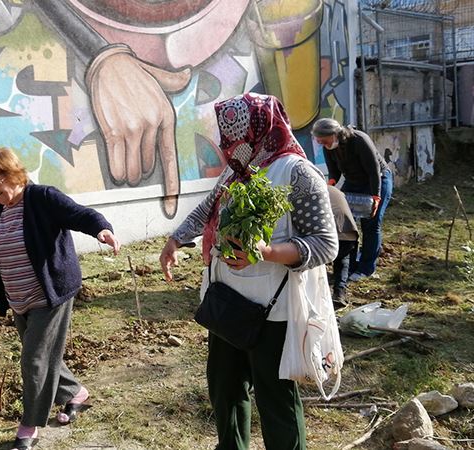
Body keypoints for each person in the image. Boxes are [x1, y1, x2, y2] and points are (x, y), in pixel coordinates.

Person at [159, 93, 338, 449]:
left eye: (234, 133)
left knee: (275, 400)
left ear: (260, 125)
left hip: (273, 312)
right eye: (226, 134)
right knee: (224, 390)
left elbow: (325, 244)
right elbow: (208, 208)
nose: (229, 143)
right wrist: (175, 240)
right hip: (226, 300)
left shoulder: (297, 173)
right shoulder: (240, 167)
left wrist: (267, 252)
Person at [0, 147, 120, 450]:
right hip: (19, 299)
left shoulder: (42, 198)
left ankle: (29, 426)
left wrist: (102, 229)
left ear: (16, 175)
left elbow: (79, 213)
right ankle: (76, 394)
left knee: (34, 360)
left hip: (49, 295)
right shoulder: (0, 211)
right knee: (44, 356)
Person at [311, 118, 394, 282]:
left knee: (371, 223)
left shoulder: (359, 140)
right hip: (353, 181)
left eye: (324, 140)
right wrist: (330, 186)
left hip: (377, 180)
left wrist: (376, 197)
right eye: (319, 141)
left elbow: (374, 170)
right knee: (344, 222)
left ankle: (366, 268)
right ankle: (348, 266)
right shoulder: (330, 147)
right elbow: (334, 172)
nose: (322, 144)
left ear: (334, 134)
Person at [327, 185, 359, 309]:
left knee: (316, 264)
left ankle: (318, 295)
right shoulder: (337, 191)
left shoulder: (312, 192)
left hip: (329, 235)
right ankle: (339, 293)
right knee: (342, 261)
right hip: (349, 233)